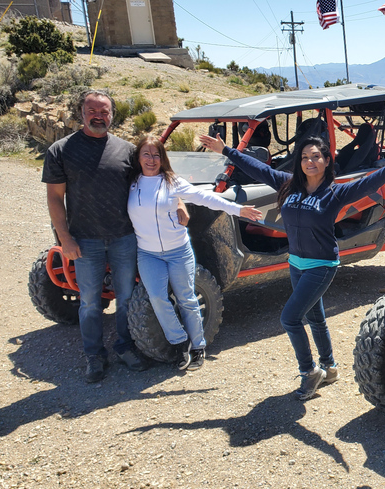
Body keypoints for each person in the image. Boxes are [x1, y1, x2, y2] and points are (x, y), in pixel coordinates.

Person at [199, 131, 385, 400]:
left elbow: (367, 184)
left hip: (321, 265)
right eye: (304, 157)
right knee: (314, 317)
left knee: (289, 318)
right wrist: (226, 150)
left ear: (326, 160)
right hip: (296, 263)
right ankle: (330, 367)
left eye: (316, 157)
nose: (309, 162)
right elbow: (257, 167)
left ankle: (309, 372)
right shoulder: (288, 184)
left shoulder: (334, 193)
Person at [42, 90, 155, 383]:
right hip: (84, 240)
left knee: (126, 297)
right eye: (92, 110)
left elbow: (152, 182)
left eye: (104, 111)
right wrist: (64, 238)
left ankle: (125, 347)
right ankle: (94, 355)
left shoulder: (128, 151)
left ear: (112, 115)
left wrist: (179, 200)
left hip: (124, 237)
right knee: (90, 302)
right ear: (81, 112)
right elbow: (55, 198)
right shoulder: (61, 150)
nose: (98, 116)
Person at [127, 136, 263, 371]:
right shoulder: (130, 183)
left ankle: (198, 346)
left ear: (163, 158)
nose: (151, 160)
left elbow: (205, 198)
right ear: (138, 158)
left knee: (187, 298)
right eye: (146, 154)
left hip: (178, 251)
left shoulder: (172, 182)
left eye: (156, 155)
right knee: (158, 298)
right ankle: (180, 343)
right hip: (148, 253)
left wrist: (237, 209)